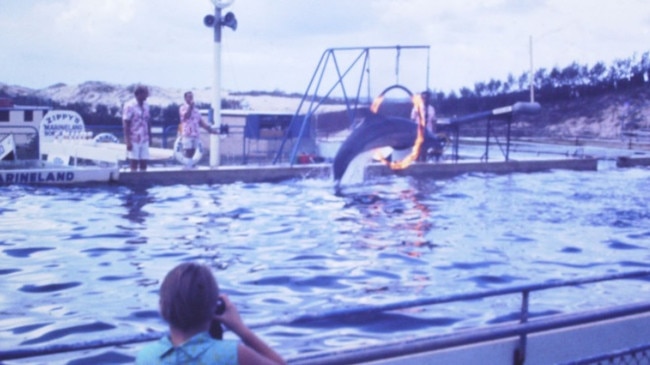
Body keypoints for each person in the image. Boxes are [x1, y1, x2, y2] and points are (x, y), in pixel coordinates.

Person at [136, 262, 285, 365]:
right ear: (216, 308)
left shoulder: (146, 356)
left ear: (162, 307)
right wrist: (241, 329)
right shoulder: (233, 354)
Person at [178, 91, 215, 163]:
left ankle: (190, 168)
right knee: (187, 152)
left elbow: (200, 122)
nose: (191, 98)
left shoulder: (196, 110)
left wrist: (209, 129)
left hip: (195, 134)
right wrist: (190, 107)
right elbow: (186, 116)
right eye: (189, 97)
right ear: (185, 98)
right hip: (187, 134)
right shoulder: (182, 108)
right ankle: (186, 169)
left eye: (192, 96)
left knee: (193, 152)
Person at [123, 85, 152, 172]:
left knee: (144, 160)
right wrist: (128, 141)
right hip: (134, 138)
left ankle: (143, 180)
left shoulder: (146, 105)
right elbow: (126, 123)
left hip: (144, 137)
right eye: (145, 93)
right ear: (139, 94)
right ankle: (133, 180)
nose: (147, 95)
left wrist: (150, 136)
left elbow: (148, 121)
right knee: (134, 161)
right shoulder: (129, 106)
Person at [411, 91, 437, 162]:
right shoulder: (416, 108)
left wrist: (434, 133)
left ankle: (424, 163)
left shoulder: (432, 109)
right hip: (418, 132)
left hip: (428, 132)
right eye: (423, 98)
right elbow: (412, 120)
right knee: (418, 150)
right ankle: (416, 163)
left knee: (425, 149)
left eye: (427, 98)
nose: (425, 99)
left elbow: (433, 121)